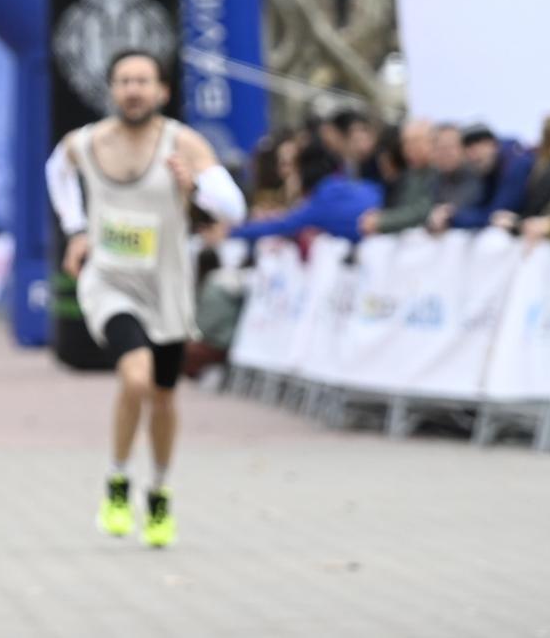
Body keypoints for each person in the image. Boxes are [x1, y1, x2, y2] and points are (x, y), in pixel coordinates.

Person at [48, 51, 245, 550]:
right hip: (111, 282)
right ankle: (117, 480)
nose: (133, 89)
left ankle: (158, 491)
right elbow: (57, 172)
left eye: (143, 80)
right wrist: (76, 230)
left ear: (161, 90)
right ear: (112, 89)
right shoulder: (86, 142)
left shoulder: (185, 144)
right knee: (134, 376)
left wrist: (194, 185)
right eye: (124, 80)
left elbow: (233, 207)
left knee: (163, 394)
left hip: (167, 287)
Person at [225, 140, 380, 246]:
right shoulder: (361, 186)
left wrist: (230, 232)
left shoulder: (321, 203)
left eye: (291, 167)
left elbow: (282, 226)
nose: (285, 173)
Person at [440, 125, 535, 232]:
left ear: (492, 145)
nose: (473, 156)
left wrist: (453, 218)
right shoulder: (488, 171)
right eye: (469, 151)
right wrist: (452, 214)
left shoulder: (516, 165)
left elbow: (497, 213)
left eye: (477, 148)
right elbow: (482, 207)